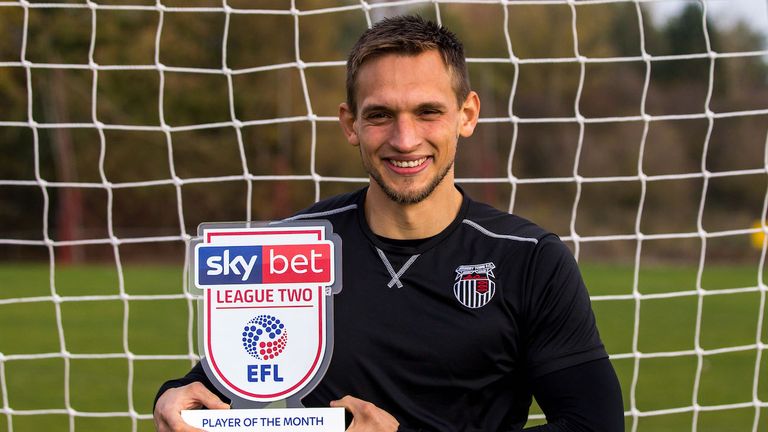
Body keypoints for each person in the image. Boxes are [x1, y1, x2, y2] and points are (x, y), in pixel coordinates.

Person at [154, 15, 624, 432]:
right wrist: (173, 396)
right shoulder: (290, 246)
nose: (404, 139)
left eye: (427, 112)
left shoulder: (530, 259)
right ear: (350, 123)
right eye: (380, 114)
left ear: (467, 115)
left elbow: (593, 424)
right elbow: (227, 376)